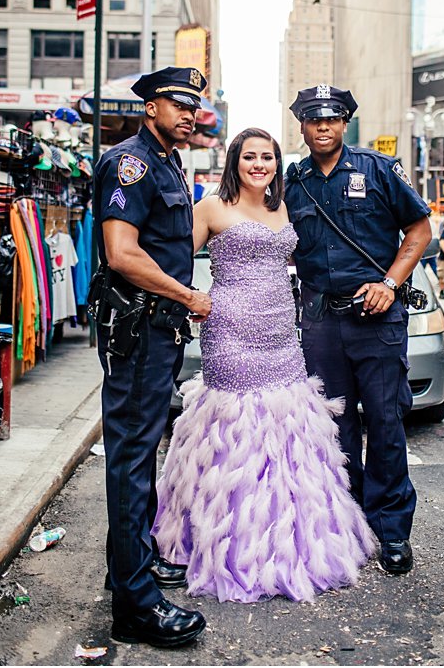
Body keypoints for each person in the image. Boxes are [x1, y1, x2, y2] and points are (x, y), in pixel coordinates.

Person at [152, 128, 376, 603]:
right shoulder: (211, 207)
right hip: (230, 332)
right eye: (249, 156)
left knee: (289, 432)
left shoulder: (284, 207)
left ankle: (289, 543)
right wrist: (190, 298)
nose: (259, 164)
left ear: (277, 163)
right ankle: (227, 544)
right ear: (234, 161)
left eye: (267, 157)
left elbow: (309, 254)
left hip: (280, 335)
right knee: (236, 432)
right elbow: (174, 259)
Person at [284, 85, 432, 575]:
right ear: (301, 126)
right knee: (336, 426)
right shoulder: (294, 181)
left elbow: (419, 230)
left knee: (386, 424)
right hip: (321, 321)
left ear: (345, 123)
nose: (323, 126)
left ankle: (392, 530)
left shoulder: (377, 169)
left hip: (377, 319)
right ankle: (348, 522)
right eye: (313, 119)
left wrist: (391, 283)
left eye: (333, 118)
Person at [92, 67, 211, 648]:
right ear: (150, 108)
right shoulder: (130, 163)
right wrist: (189, 296)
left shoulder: (168, 162)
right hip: (138, 332)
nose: (190, 113)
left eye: (195, 106)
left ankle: (129, 570)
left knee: (141, 456)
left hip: (157, 331)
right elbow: (121, 253)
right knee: (132, 462)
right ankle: (135, 608)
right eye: (178, 103)